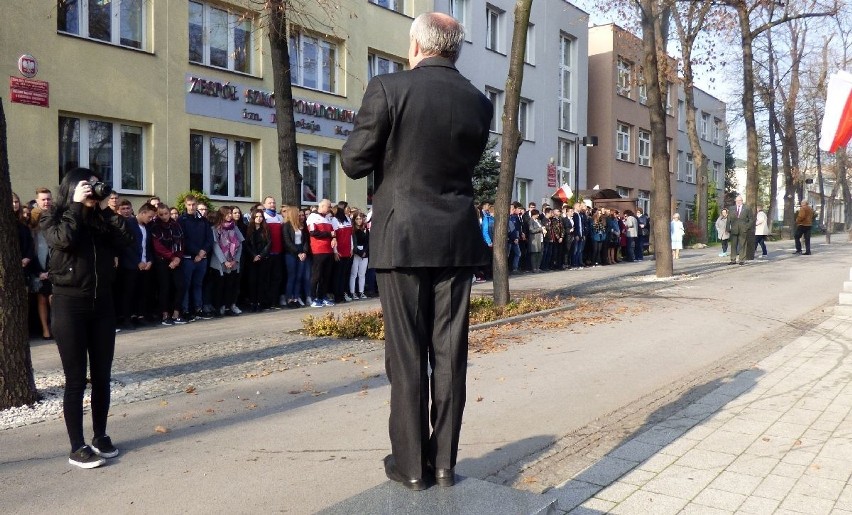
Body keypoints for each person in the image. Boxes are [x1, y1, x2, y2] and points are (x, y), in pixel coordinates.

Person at [341, 12, 492, 490]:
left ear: (416, 45)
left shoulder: (389, 88)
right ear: (455, 49)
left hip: (402, 237)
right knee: (450, 356)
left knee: (406, 357)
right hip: (455, 237)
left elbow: (353, 161)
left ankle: (410, 467)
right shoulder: (477, 101)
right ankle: (444, 464)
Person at [40, 167, 132, 468]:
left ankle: (101, 435)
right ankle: (76, 446)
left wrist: (106, 211)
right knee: (76, 379)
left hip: (102, 305)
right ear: (72, 189)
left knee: (102, 376)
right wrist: (78, 207)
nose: (94, 190)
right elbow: (63, 240)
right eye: (87, 186)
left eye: (96, 185)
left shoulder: (99, 219)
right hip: (69, 305)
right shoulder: (53, 217)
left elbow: (127, 241)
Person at [117, 202, 156, 330]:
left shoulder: (147, 228)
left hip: (145, 265)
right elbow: (127, 246)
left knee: (142, 292)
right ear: (143, 213)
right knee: (128, 293)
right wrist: (136, 261)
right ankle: (127, 318)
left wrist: (149, 260)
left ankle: (140, 316)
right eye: (149, 217)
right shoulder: (129, 224)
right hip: (131, 266)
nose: (150, 219)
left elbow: (149, 246)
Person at [150, 204, 187, 325]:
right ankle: (165, 314)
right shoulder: (155, 226)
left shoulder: (176, 225)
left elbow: (181, 242)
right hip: (162, 260)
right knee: (164, 288)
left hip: (176, 260)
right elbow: (158, 246)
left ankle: (176, 313)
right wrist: (172, 257)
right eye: (161, 214)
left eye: (166, 213)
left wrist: (177, 259)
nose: (164, 216)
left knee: (180, 286)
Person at [209, 206, 244, 316]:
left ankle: (229, 307)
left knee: (230, 286)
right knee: (219, 286)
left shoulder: (235, 227)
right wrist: (225, 261)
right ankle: (218, 307)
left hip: (233, 263)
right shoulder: (215, 229)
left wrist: (235, 260)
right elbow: (216, 246)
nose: (230, 215)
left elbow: (240, 244)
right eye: (227, 213)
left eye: (230, 213)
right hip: (220, 263)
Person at [28, 207, 53, 339]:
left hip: (52, 272)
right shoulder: (32, 233)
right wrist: (39, 273)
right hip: (38, 272)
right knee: (42, 300)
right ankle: (45, 330)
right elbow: (31, 254)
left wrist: (51, 271)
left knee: (53, 299)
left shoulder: (52, 231)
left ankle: (53, 326)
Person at [307, 199, 337, 307]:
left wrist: (333, 238)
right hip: (318, 250)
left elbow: (333, 232)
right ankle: (313, 297)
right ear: (322, 206)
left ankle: (322, 296)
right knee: (317, 275)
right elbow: (313, 232)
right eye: (328, 207)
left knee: (326, 275)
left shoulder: (328, 218)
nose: (329, 209)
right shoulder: (312, 217)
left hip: (328, 250)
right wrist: (329, 234)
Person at [243, 208, 272, 312]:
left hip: (263, 258)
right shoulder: (248, 229)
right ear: (253, 217)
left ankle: (259, 302)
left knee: (261, 281)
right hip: (252, 259)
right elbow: (246, 245)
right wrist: (253, 255)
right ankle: (252, 302)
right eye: (257, 217)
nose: (259, 219)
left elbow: (269, 243)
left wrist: (261, 255)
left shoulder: (266, 229)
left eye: (261, 217)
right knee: (252, 281)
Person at [282, 206, 311, 307]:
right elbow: (287, 242)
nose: (299, 215)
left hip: (301, 251)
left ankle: (296, 297)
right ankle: (289, 298)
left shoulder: (301, 225)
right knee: (292, 276)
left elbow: (305, 241)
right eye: (297, 213)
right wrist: (297, 253)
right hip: (291, 253)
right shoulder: (286, 226)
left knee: (299, 276)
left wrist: (304, 252)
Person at [727, 195, 753, 265]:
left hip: (743, 229)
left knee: (742, 244)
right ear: (735, 201)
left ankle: (741, 260)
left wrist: (747, 227)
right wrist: (727, 228)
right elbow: (728, 219)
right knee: (733, 245)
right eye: (737, 201)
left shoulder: (747, 208)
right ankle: (733, 259)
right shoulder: (731, 208)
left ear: (742, 201)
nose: (738, 202)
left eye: (740, 201)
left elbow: (751, 219)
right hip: (734, 229)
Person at [349, 212, 370, 298]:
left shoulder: (365, 229)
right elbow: (353, 243)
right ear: (354, 220)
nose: (359, 220)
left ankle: (361, 291)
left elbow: (368, 242)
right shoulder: (352, 230)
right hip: (356, 253)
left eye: (360, 219)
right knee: (354, 274)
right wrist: (359, 252)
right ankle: (352, 292)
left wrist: (365, 251)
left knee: (362, 274)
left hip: (364, 253)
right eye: (357, 219)